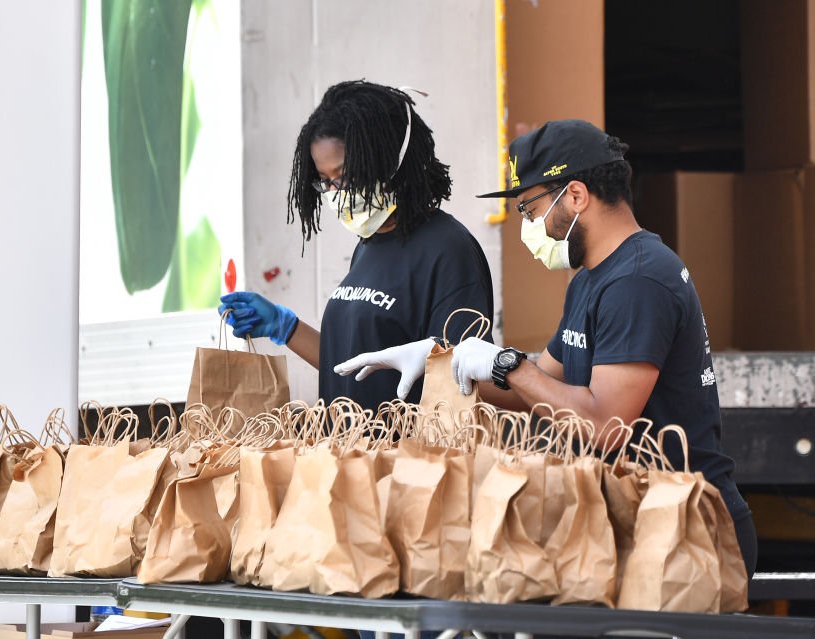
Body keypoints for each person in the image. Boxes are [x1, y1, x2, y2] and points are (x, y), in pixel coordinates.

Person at [335, 119, 757, 576]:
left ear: (575, 195)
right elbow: (542, 388)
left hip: (689, 532)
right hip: (640, 523)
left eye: (528, 209)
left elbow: (604, 424)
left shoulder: (638, 280)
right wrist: (447, 360)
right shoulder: (592, 279)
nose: (528, 226)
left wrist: (505, 363)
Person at [218, 80, 494, 410]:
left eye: (345, 176)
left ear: (388, 160)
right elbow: (353, 367)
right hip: (348, 455)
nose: (336, 193)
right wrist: (285, 327)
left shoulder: (449, 251)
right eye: (326, 182)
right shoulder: (367, 245)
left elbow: (468, 379)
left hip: (408, 458)